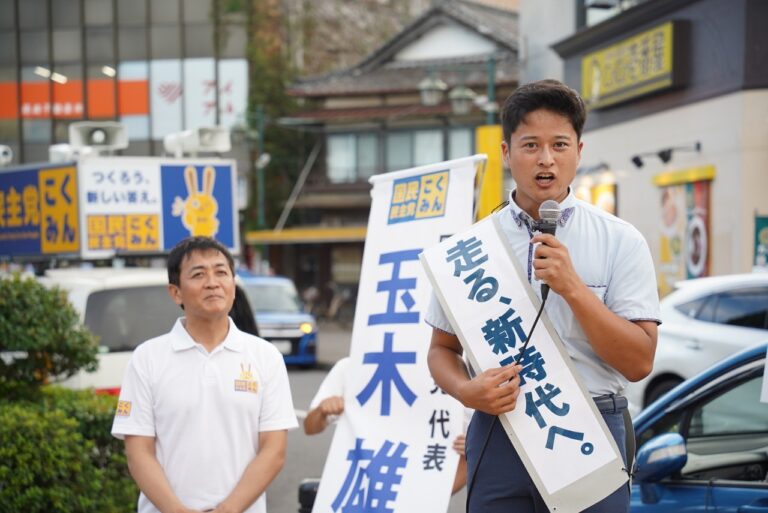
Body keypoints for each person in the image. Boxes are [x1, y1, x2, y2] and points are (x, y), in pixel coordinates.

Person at [426, 79, 660, 513]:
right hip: (500, 430)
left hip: (589, 430)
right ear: (505, 153)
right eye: (531, 145)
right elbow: (440, 350)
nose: (546, 159)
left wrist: (573, 288)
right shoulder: (469, 248)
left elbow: (638, 362)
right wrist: (466, 390)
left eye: (559, 144)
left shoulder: (620, 241)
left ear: (579, 152)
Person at [112, 236, 298, 513]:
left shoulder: (265, 357)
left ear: (233, 285)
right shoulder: (147, 358)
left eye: (221, 272)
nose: (212, 282)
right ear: (176, 293)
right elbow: (138, 453)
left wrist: (228, 509)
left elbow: (274, 450)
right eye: (198, 274)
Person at [303, 357, 469, 494]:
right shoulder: (350, 366)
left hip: (418, 497)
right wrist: (322, 411)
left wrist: (427, 500)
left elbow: (465, 456)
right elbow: (310, 427)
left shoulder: (446, 372)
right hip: (358, 491)